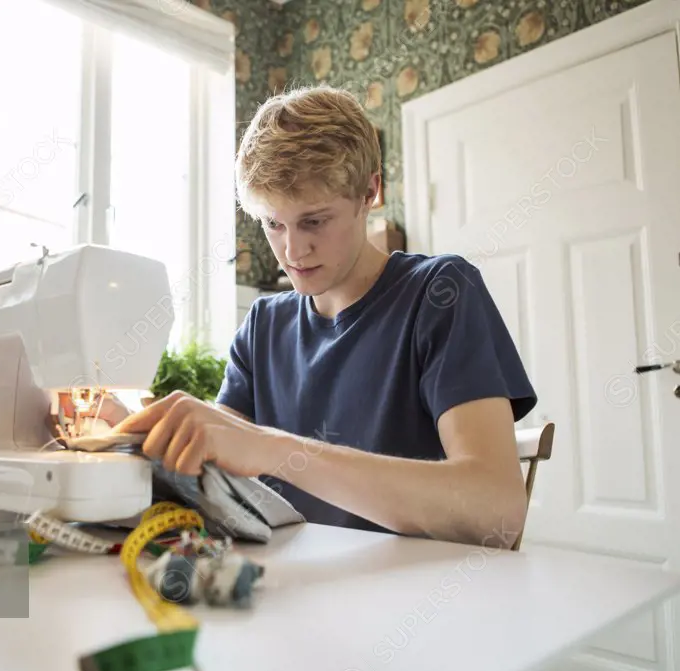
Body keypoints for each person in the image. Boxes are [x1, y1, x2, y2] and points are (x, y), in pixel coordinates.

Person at [95, 85, 537, 549]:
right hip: (290, 593)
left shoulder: (439, 293)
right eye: (273, 224)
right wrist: (131, 437)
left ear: (370, 191)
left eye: (315, 221)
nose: (292, 250)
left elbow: (497, 510)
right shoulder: (263, 325)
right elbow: (213, 478)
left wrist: (275, 448)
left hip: (418, 599)